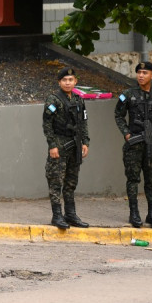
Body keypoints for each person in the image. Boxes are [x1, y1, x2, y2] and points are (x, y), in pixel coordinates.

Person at [114, 61, 152, 229]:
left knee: (151, 180)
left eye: (145, 73)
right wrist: (126, 133)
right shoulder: (128, 94)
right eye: (139, 72)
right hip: (134, 144)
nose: (141, 75)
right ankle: (134, 213)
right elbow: (118, 115)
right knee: (133, 179)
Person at [42, 66, 90, 229]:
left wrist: (85, 142)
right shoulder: (53, 100)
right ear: (59, 82)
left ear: (75, 81)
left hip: (75, 146)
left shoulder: (79, 100)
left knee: (71, 182)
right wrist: (52, 145)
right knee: (56, 181)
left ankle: (70, 215)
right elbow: (47, 124)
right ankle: (57, 216)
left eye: (71, 80)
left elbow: (83, 123)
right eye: (64, 80)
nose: (68, 83)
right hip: (60, 146)